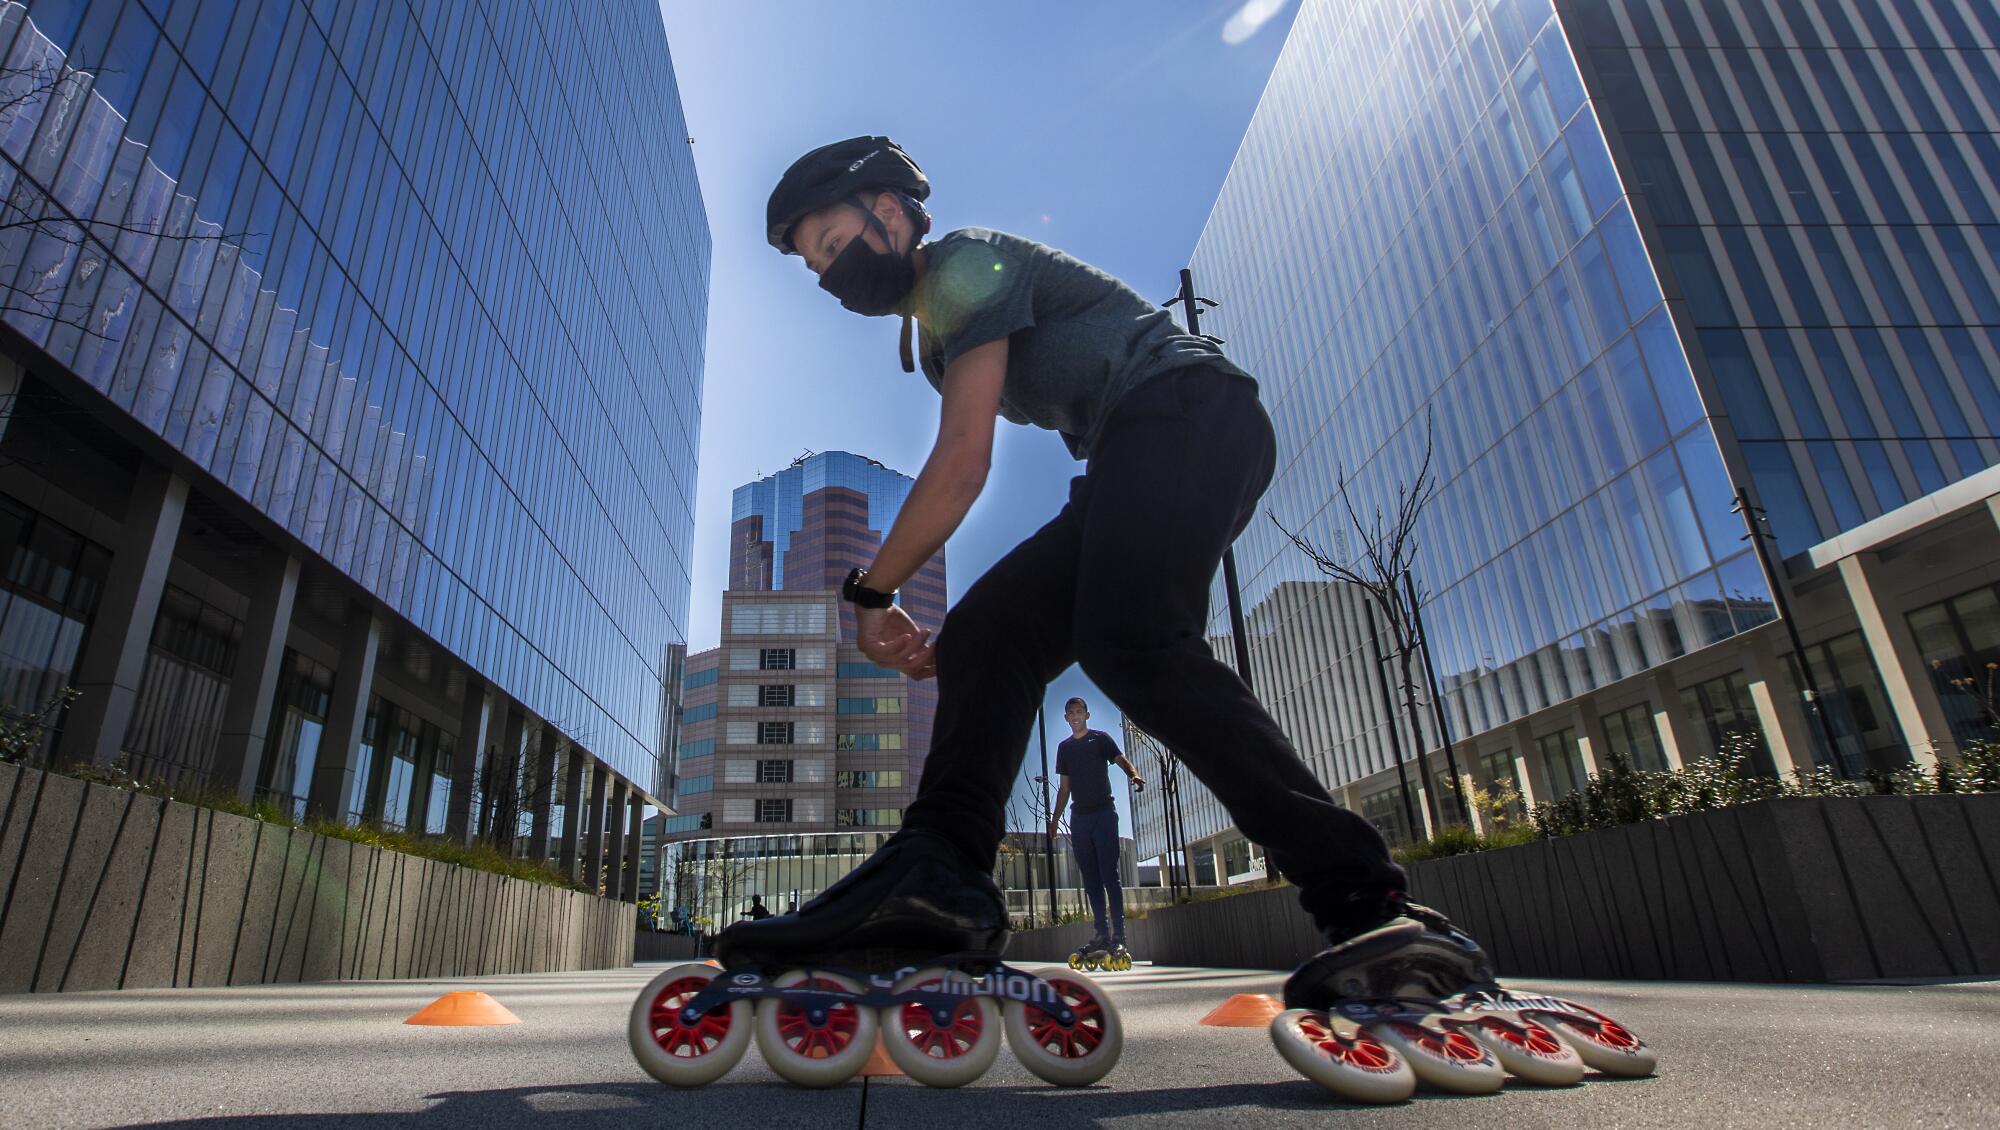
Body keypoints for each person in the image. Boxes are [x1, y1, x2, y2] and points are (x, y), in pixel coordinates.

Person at [714, 137, 1491, 1011]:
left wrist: (870, 592)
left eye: (830, 245)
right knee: (986, 636)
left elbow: (964, 461)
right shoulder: (936, 337)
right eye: (816, 264)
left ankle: (1368, 904)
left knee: (1132, 644)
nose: (830, 275)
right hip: (1133, 447)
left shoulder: (966, 262)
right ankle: (941, 879)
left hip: (1188, 410)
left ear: (887, 213)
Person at [1048, 697, 1142, 959]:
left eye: (1079, 712)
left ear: (1087, 715)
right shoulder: (1064, 748)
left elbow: (1120, 759)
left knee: (1109, 875)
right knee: (1090, 879)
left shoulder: (1100, 739)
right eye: (1071, 713)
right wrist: (1054, 820)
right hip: (1080, 818)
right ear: (1066, 718)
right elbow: (1064, 789)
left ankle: (1119, 938)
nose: (1075, 716)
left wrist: (1133, 774)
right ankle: (1101, 933)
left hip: (1104, 814)